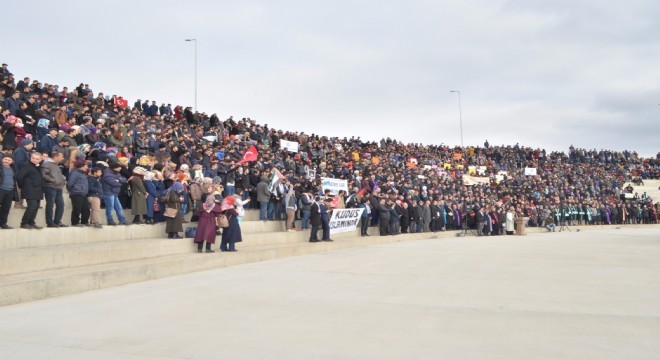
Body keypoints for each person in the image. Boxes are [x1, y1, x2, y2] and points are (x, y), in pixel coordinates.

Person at [16, 152, 44, 229]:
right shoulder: (27, 166)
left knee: (36, 207)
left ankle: (31, 222)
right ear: (30, 158)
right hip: (29, 189)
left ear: (40, 160)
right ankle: (24, 223)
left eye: (37, 159)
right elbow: (20, 177)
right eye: (33, 158)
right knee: (32, 206)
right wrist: (23, 186)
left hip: (37, 190)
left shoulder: (38, 167)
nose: (34, 160)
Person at [41, 151, 68, 228]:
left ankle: (57, 221)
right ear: (55, 157)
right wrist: (53, 180)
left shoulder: (56, 165)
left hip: (58, 187)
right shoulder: (47, 164)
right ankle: (50, 222)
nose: (62, 158)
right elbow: (43, 175)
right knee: (50, 205)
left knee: (61, 205)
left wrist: (62, 181)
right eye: (61, 156)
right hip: (50, 187)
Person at [67, 161, 90, 227]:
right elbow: (70, 183)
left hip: (83, 193)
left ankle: (84, 221)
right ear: (81, 167)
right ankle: (75, 222)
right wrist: (72, 190)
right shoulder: (75, 173)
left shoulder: (83, 174)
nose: (87, 168)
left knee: (86, 209)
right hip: (76, 193)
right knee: (77, 208)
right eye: (86, 166)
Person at [0, 155, 17, 228]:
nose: (6, 161)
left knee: (6, 208)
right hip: (1, 189)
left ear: (12, 161)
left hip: (10, 190)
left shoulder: (13, 169)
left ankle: (3, 224)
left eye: (9, 160)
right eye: (5, 159)